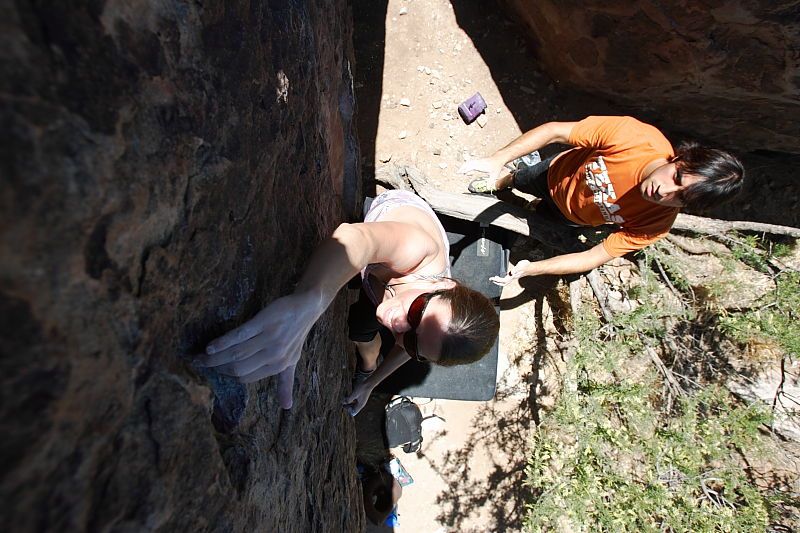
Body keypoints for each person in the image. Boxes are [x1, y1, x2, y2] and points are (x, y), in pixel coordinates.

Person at [196, 189, 500, 412]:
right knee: (358, 315)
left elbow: (413, 344)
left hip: (385, 284)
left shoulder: (422, 315)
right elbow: (359, 240)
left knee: (361, 330)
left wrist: (371, 383)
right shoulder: (416, 250)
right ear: (443, 283)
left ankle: (366, 364)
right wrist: (312, 300)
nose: (397, 324)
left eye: (412, 343)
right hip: (386, 228)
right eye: (418, 313)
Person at [459, 116, 745, 285]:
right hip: (554, 174)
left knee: (530, 221)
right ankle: (499, 181)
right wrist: (498, 159)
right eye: (677, 178)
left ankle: (525, 205)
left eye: (680, 198)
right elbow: (555, 130)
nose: (665, 192)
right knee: (520, 179)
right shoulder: (635, 138)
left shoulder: (656, 224)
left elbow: (593, 257)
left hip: (570, 218)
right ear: (680, 158)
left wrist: (531, 269)